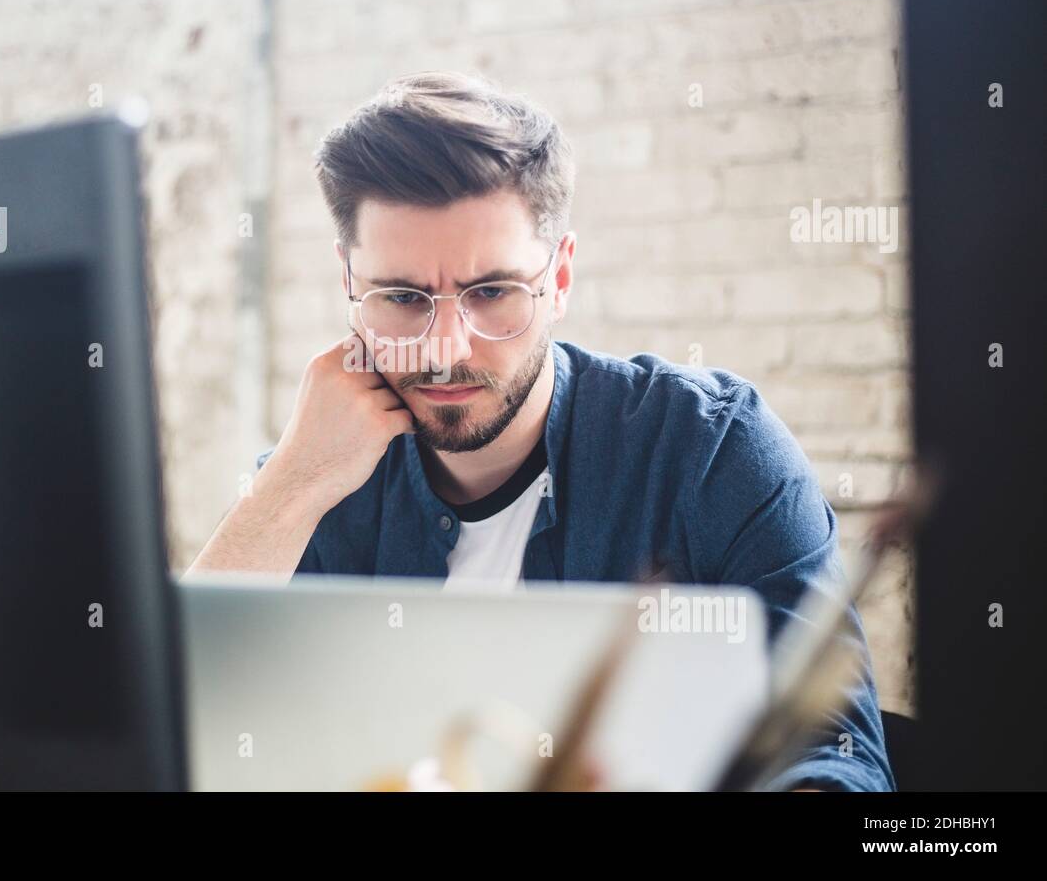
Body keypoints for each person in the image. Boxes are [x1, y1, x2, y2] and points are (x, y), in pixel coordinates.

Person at [190, 71, 894, 792]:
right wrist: (290, 488)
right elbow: (171, 735)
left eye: (491, 292)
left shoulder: (708, 449)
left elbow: (836, 756)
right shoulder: (316, 477)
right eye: (401, 298)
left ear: (558, 278)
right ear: (348, 281)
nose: (444, 350)